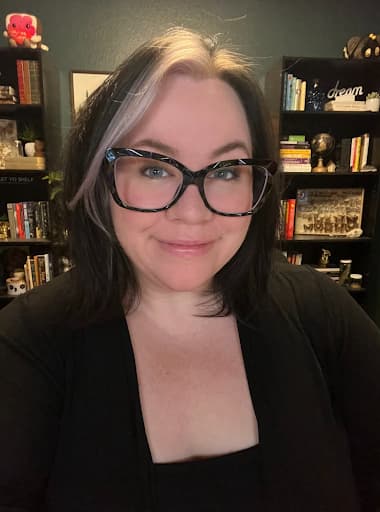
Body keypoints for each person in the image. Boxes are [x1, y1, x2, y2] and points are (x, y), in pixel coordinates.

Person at [0, 27, 380, 512]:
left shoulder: (320, 312)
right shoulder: (27, 347)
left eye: (225, 171)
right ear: (99, 176)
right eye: (155, 168)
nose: (193, 213)